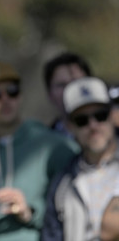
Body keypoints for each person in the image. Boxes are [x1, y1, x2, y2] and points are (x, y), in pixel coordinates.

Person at [0, 60, 79, 241]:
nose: (5, 100)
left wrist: (31, 211)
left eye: (12, 91)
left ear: (21, 95)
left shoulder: (54, 146)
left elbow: (77, 203)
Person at [42, 77, 119, 241]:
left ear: (113, 116)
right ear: (70, 126)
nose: (93, 126)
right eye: (82, 120)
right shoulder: (62, 184)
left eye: (100, 115)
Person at [42, 52, 92, 135]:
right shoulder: (46, 144)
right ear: (50, 95)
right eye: (62, 85)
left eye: (75, 82)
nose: (69, 90)